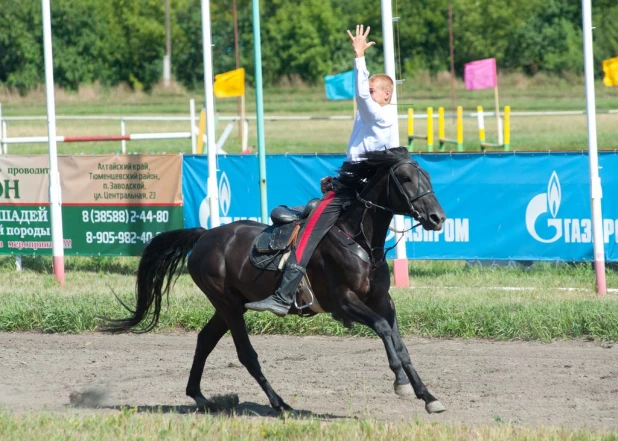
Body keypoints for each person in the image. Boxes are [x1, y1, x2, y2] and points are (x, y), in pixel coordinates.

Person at [245, 24, 399, 317]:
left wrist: (358, 58)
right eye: (367, 90)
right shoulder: (376, 116)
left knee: (309, 231)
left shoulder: (380, 115)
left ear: (386, 94)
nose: (365, 94)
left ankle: (283, 295)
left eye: (371, 90)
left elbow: (363, 99)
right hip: (354, 186)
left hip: (355, 191)